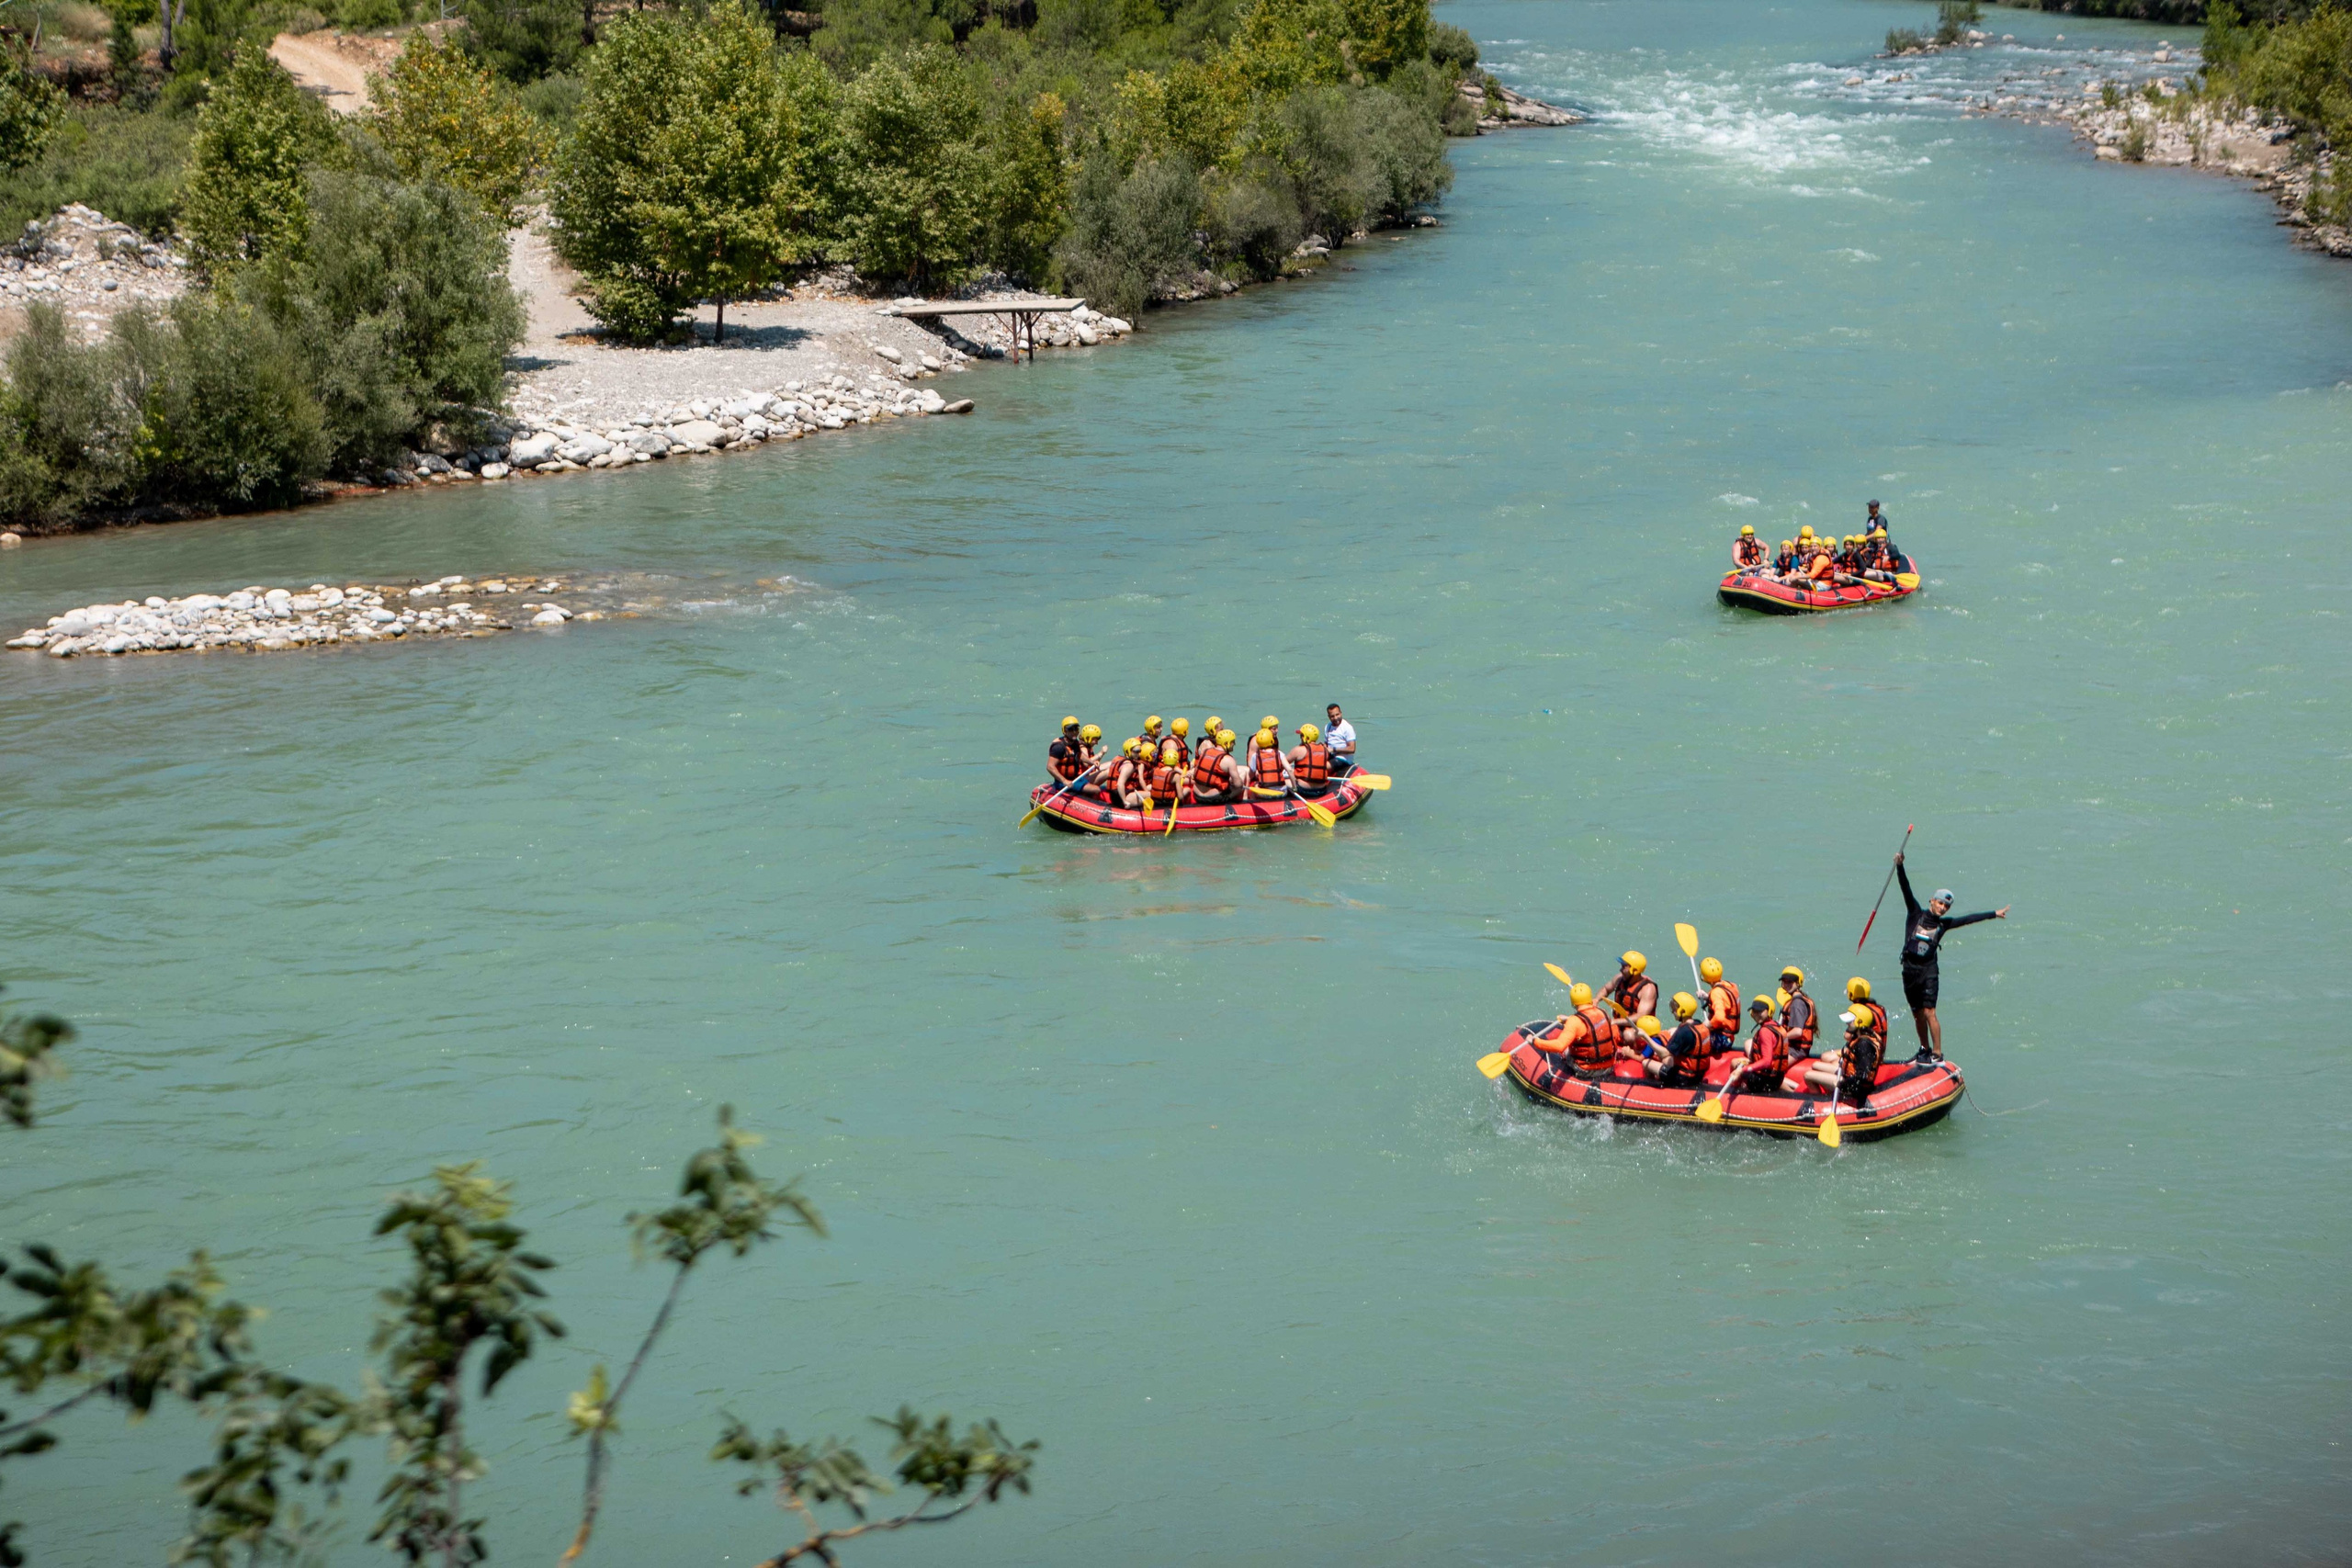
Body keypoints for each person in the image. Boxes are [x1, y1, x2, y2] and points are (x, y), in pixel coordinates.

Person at [1894, 852, 2009, 1061]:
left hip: (1929, 971)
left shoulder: (1943, 924)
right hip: (1910, 970)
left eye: (1947, 906)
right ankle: (1924, 1049)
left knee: (1930, 1012)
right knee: (1917, 1014)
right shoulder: (1915, 913)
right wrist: (1900, 866)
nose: (1943, 908)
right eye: (1940, 904)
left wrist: (1994, 913)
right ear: (1932, 901)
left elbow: (1968, 919)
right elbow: (1905, 888)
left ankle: (1937, 1053)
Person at [1791, 978, 1888, 1100]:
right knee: (1817, 1065)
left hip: (1850, 1079)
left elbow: (1861, 1078)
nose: (1847, 1025)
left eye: (1849, 1022)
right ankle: (1828, 1091)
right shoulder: (1874, 1014)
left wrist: (1841, 1085)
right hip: (1854, 1067)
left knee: (1811, 1073)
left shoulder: (1864, 1043)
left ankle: (1820, 1102)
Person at [1720, 992, 1792, 1096]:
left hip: (1763, 1081)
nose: (1757, 1014)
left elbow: (1767, 1061)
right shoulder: (1778, 1027)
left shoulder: (1765, 1031)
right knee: (1739, 1061)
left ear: (1769, 1011)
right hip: (1776, 1079)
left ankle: (1735, 1091)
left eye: (1761, 1011)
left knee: (1735, 1064)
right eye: (1755, 1011)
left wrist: (1742, 1070)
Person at [1544, 983, 1622, 1077]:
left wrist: (1534, 1041)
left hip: (1586, 1071)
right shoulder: (1603, 1013)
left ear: (1573, 1002)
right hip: (1609, 1068)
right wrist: (1568, 1019)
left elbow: (1559, 1046)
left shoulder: (1574, 1021)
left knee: (1566, 1050)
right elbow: (1591, 1025)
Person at [1645, 993, 1711, 1086]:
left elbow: (1664, 1053)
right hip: (1698, 1076)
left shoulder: (1684, 1031)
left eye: (1674, 1009)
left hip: (1683, 1078)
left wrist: (1646, 1037)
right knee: (1668, 1060)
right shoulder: (1699, 1025)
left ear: (1682, 1011)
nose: (1673, 1012)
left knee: (1646, 1063)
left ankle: (1651, 1088)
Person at [1602, 951, 1659, 1025]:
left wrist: (1614, 1022)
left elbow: (1641, 1017)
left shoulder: (1648, 989)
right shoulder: (1619, 978)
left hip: (1637, 1028)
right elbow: (1606, 989)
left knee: (1628, 1035)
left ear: (1634, 970)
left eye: (1624, 967)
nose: (1620, 970)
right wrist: (1596, 1000)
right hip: (1619, 1024)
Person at [1699, 957, 1740, 1053]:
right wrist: (1707, 997)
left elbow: (1719, 1017)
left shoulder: (1716, 993)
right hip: (1730, 1038)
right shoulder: (1730, 986)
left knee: (1693, 1037)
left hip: (1721, 1040)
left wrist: (1707, 1025)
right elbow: (1726, 1001)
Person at [1192, 728, 1243, 805]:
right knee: (1240, 788)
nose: (1234, 744)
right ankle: (1233, 804)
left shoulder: (1205, 751)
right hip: (1214, 798)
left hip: (1197, 795)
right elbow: (1238, 785)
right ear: (1227, 743)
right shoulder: (1229, 760)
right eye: (1233, 742)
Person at [1776, 966, 1816, 1056]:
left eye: (1790, 981)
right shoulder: (1799, 999)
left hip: (1795, 1050)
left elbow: (1798, 1031)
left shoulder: (1797, 1003)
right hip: (1793, 1047)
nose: (1786, 984)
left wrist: (1778, 1037)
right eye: (1784, 981)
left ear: (1798, 983)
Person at [1289, 723, 1333, 794]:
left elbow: (1281, 763)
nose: (1300, 738)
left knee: (1283, 781)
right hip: (1322, 790)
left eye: (1301, 736)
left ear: (1306, 737)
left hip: (1303, 789)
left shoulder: (1298, 750)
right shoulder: (1325, 750)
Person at [1249, 728, 1290, 794]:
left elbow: (1250, 775)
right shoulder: (1279, 753)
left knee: (1254, 785)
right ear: (1271, 740)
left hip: (1264, 793)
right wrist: (1294, 788)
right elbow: (1289, 770)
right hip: (1281, 792)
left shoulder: (1255, 756)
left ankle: (1249, 800)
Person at [1047, 716, 1087, 786]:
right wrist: (1064, 781)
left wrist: (1092, 762)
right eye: (1071, 729)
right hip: (1062, 783)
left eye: (1076, 729)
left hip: (1075, 779)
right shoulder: (1059, 747)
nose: (1074, 732)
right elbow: (1050, 767)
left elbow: (1080, 755)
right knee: (1096, 790)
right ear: (1065, 731)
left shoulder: (1075, 743)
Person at [1324, 704, 1357, 768]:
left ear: (1341, 713)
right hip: (1331, 756)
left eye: (1337, 714)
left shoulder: (1347, 727)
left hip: (1343, 759)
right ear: (1329, 717)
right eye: (1332, 716)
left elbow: (1352, 749)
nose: (1336, 718)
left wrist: (1334, 750)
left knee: (1324, 766)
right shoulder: (1327, 727)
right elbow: (1326, 744)